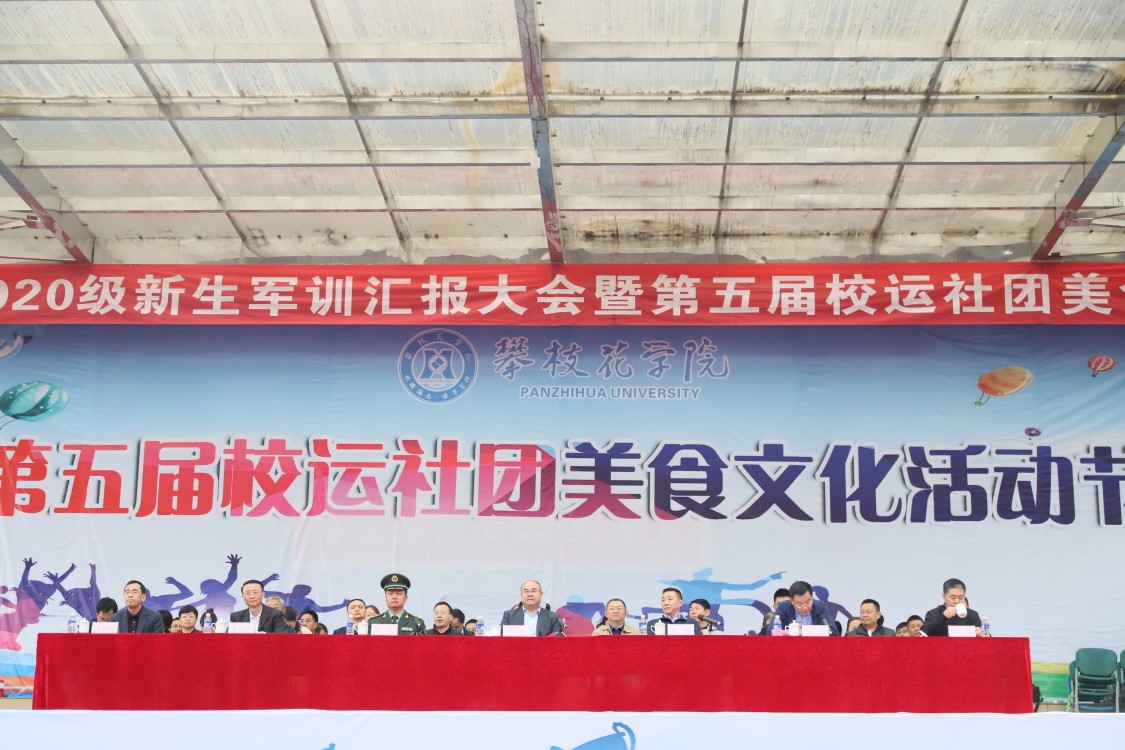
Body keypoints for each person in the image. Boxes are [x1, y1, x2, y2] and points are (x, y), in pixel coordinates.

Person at [773, 581, 839, 635]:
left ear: (812, 596)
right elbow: (771, 632)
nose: (805, 607)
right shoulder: (783, 607)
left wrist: (802, 631)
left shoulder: (820, 607)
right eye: (799, 604)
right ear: (791, 601)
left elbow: (833, 632)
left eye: (808, 602)